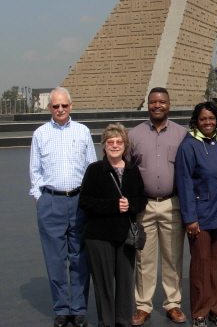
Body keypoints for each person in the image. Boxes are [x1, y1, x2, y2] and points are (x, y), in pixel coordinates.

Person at [29, 87, 97, 327]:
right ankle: (61, 309)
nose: (60, 110)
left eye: (64, 106)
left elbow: (91, 167)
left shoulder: (82, 131)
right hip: (51, 202)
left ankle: (78, 309)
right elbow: (35, 170)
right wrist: (40, 197)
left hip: (79, 202)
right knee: (55, 260)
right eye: (55, 106)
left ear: (71, 106)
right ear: (50, 108)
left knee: (80, 258)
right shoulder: (40, 133)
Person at [129, 88, 188, 325]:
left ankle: (173, 303)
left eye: (162, 102)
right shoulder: (133, 135)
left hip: (172, 204)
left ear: (169, 105)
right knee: (145, 259)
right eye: (153, 102)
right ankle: (143, 305)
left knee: (173, 257)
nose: (157, 106)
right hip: (145, 206)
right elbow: (128, 171)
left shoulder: (182, 135)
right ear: (147, 105)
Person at [79, 124, 148, 327]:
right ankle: (106, 322)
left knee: (126, 281)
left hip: (125, 234)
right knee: (104, 283)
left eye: (119, 142)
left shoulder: (132, 171)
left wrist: (131, 205)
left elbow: (141, 198)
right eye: (110, 142)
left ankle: (123, 320)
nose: (115, 146)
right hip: (99, 235)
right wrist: (113, 205)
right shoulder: (94, 170)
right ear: (104, 146)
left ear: (125, 146)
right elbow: (85, 201)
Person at [175, 102, 217, 327]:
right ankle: (199, 312)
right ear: (196, 122)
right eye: (203, 119)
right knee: (201, 265)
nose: (208, 122)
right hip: (200, 215)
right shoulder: (189, 146)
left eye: (212, 118)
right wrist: (190, 218)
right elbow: (185, 183)